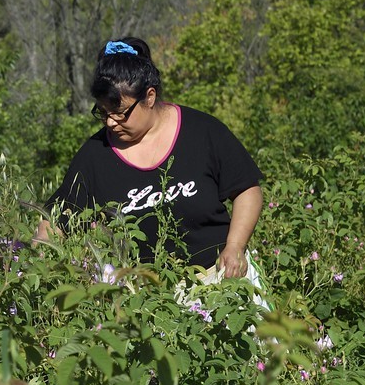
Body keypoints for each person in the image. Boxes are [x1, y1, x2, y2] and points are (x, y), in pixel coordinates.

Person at [47, 38, 263, 276]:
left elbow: (247, 190)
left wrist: (235, 247)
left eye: (120, 112)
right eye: (102, 112)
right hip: (145, 297)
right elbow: (53, 222)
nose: (110, 122)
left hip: (219, 277)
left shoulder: (202, 132)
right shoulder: (95, 155)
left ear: (149, 97)